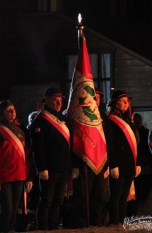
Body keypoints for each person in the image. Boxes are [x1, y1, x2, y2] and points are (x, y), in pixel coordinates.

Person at [0, 100, 33, 233]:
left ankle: (11, 230)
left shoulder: (20, 131)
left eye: (13, 109)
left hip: (19, 176)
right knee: (6, 210)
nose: (12, 112)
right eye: (8, 110)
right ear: (2, 113)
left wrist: (29, 177)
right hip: (4, 177)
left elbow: (26, 157)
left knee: (14, 211)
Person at [29, 87, 71, 230]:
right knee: (46, 200)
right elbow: (37, 148)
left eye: (60, 100)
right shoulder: (40, 121)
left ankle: (53, 227)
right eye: (55, 99)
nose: (58, 103)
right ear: (46, 101)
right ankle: (43, 227)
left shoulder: (63, 119)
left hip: (63, 167)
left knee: (58, 200)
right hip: (49, 168)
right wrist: (42, 168)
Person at [70, 88, 109, 227]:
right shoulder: (80, 115)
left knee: (99, 194)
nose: (96, 100)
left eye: (98, 98)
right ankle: (82, 222)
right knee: (83, 194)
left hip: (100, 161)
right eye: (94, 97)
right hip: (84, 161)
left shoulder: (103, 117)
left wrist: (108, 164)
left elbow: (107, 142)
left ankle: (97, 221)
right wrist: (74, 164)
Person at [106, 90, 141, 225]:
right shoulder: (110, 120)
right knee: (115, 195)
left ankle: (122, 221)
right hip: (118, 163)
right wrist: (113, 164)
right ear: (115, 103)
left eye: (127, 100)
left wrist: (137, 163)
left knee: (124, 196)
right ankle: (115, 222)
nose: (126, 103)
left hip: (129, 163)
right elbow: (110, 144)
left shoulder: (129, 120)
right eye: (122, 100)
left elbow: (135, 144)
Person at [127, 113, 151, 217]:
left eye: (138, 120)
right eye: (134, 121)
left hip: (146, 166)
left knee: (145, 192)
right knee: (137, 194)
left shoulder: (145, 132)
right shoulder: (131, 131)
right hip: (137, 165)